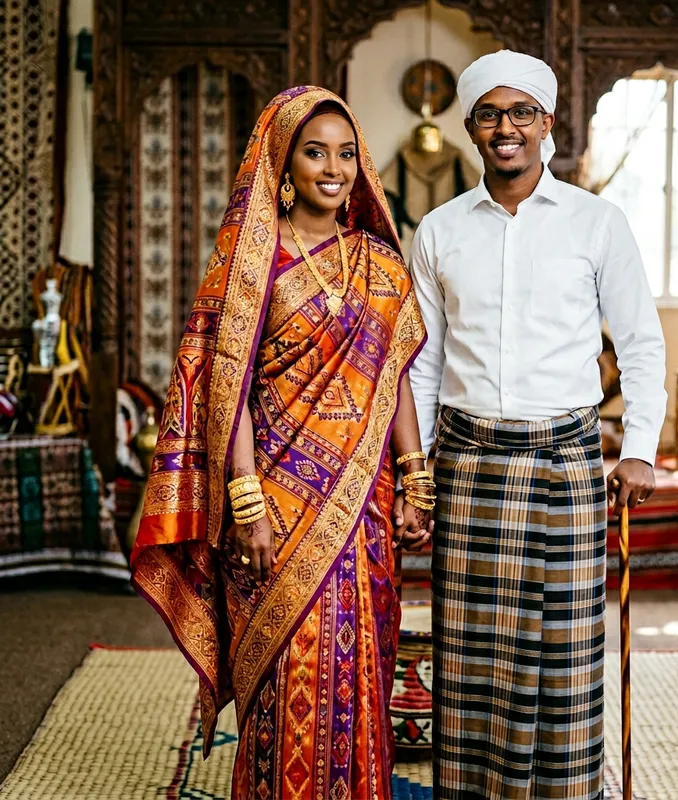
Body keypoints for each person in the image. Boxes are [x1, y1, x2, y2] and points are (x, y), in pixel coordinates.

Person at [130, 86, 434, 800]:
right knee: (287, 670)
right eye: (315, 152)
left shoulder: (382, 265)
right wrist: (246, 500)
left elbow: (395, 381)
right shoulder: (250, 266)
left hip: (364, 508)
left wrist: (416, 479)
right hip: (275, 503)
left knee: (361, 667)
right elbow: (222, 390)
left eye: (348, 154)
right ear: (282, 162)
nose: (334, 169)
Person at [408, 51, 667, 799]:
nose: (507, 128)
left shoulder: (598, 222)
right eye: (491, 113)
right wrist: (417, 474)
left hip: (567, 465)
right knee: (474, 659)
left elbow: (641, 342)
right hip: (469, 465)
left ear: (547, 123)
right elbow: (424, 366)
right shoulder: (438, 230)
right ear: (470, 128)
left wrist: (641, 451)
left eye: (522, 112)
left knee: (565, 659)